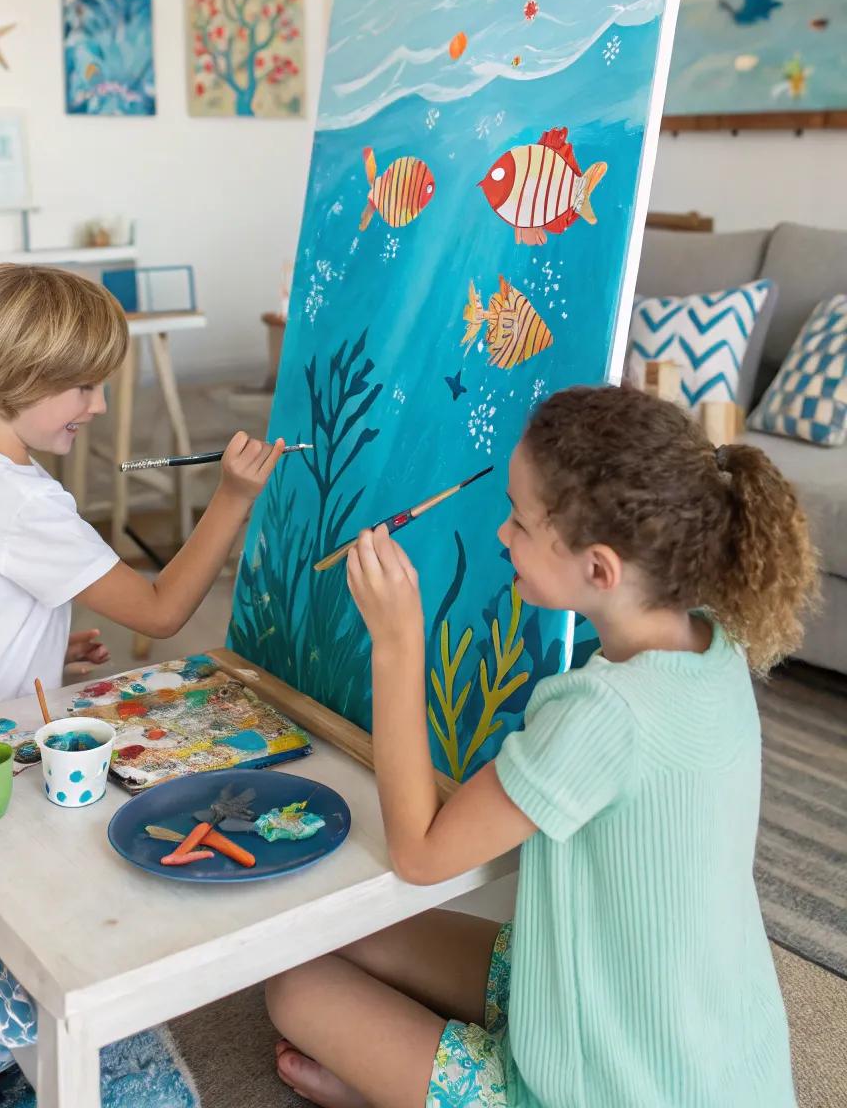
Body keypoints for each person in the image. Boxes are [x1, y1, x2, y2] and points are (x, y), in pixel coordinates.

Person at [267, 384, 815, 1108]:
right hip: (696, 1048)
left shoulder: (604, 712)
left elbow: (422, 854)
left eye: (520, 522)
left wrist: (399, 643)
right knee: (344, 934)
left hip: (605, 1090)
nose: (501, 535)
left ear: (599, 569)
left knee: (292, 986)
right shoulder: (712, 642)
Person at [0, 263, 281, 728]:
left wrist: (36, 649)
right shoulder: (22, 501)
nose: (99, 406)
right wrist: (232, 498)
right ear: (23, 376)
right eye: (85, 387)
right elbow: (160, 611)